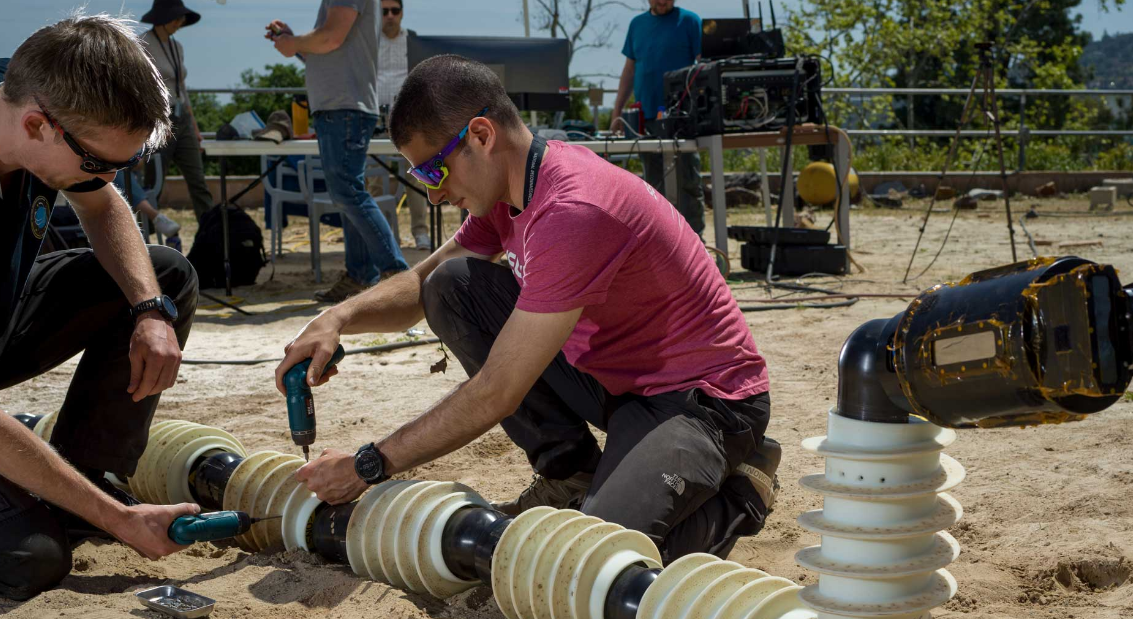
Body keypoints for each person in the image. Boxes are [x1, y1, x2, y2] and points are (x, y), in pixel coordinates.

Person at [276, 56, 781, 564]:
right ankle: (571, 476)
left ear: (480, 135)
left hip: (703, 402)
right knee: (451, 285)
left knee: (589, 565)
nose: (432, 194)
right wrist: (336, 318)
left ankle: (741, 491)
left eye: (433, 169)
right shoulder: (508, 187)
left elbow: (496, 391)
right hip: (618, 382)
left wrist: (368, 464)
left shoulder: (573, 211)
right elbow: (422, 282)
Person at [0, 16, 201, 601]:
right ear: (36, 125)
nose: (107, 179)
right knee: (28, 561)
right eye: (98, 163)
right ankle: (58, 500)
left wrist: (149, 310)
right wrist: (120, 522)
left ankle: (82, 479)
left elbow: (103, 207)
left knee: (164, 275)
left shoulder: (26, 85)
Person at [268, 0, 409, 303]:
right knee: (348, 194)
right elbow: (329, 49)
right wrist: (295, 43)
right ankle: (361, 275)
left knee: (348, 193)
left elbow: (331, 38)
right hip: (342, 105)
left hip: (344, 106)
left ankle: (397, 275)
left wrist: (294, 43)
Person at [610, 0, 705, 237]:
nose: (662, 1)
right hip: (646, 116)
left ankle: (696, 241)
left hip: (681, 116)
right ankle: (661, 242)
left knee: (688, 180)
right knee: (652, 184)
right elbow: (629, 70)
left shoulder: (690, 21)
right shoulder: (637, 24)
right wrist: (617, 111)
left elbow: (704, 67)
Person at [140, 0, 214, 232]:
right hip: (158, 121)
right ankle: (146, 239)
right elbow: (138, 88)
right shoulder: (143, 44)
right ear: (163, 18)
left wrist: (195, 126)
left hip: (183, 120)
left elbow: (182, 88)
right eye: (177, 18)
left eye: (182, 19)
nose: (180, 23)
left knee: (198, 181)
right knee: (154, 184)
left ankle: (210, 232)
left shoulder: (177, 46)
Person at [372, 0, 431, 251]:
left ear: (402, 13)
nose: (390, 16)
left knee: (418, 176)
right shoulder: (369, 40)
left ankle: (420, 232)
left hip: (409, 117)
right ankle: (384, 236)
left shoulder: (414, 41)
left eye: (394, 11)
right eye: (384, 11)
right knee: (375, 177)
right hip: (375, 116)